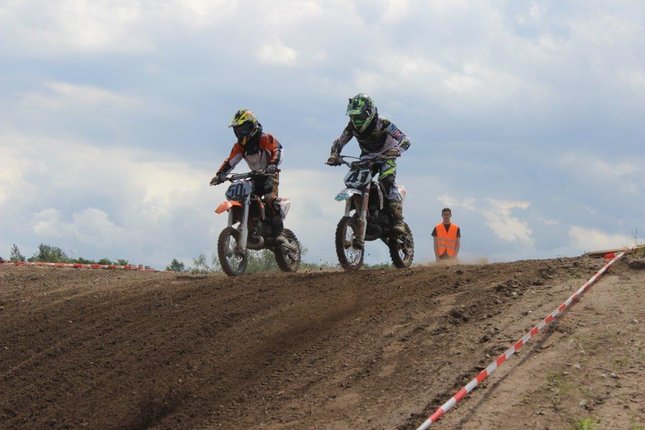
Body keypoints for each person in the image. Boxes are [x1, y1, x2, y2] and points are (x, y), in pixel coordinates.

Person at [326, 93, 411, 233]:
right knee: (356, 183)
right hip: (367, 159)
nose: (356, 119)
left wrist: (397, 149)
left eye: (359, 116)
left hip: (386, 156)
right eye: (353, 116)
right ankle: (366, 213)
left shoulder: (382, 123)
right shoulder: (351, 127)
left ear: (368, 112)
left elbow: (405, 139)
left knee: (387, 181)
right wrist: (334, 155)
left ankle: (398, 221)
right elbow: (339, 142)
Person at [210, 108, 286, 242]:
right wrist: (220, 175)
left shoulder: (264, 138)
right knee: (245, 198)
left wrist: (272, 164)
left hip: (270, 174)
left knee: (270, 198)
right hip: (254, 177)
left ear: (251, 126)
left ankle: (279, 233)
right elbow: (230, 161)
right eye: (237, 129)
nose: (240, 132)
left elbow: (277, 150)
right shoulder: (241, 145)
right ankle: (251, 225)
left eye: (242, 128)